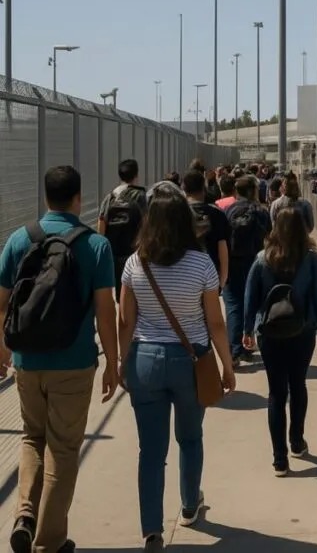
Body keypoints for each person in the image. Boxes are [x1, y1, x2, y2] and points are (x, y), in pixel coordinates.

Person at [0, 165, 119, 553]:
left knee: (32, 438)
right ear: (78, 199)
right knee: (64, 449)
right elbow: (105, 312)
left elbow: (1, 303)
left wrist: (3, 349)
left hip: (27, 361)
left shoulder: (20, 239)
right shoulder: (96, 246)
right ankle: (49, 543)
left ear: (45, 197)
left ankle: (24, 516)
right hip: (74, 363)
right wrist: (113, 362)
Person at [118, 184, 235, 553]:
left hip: (145, 360)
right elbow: (215, 322)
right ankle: (188, 505)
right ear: (187, 222)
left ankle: (152, 531)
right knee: (190, 437)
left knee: (151, 451)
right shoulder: (201, 265)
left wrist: (120, 362)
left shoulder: (135, 263)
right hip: (191, 360)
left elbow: (125, 321)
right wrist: (227, 364)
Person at [242, 207, 317, 476]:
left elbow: (250, 297)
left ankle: (279, 459)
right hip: (302, 331)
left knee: (276, 393)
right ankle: (297, 441)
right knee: (298, 385)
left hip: (270, 333)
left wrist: (247, 329)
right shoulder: (311, 259)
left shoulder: (262, 259)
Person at [224, 176, 270, 366]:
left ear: (237, 191)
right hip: (256, 262)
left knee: (234, 305)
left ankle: (235, 351)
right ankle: (249, 343)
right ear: (254, 191)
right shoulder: (261, 212)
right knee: (253, 303)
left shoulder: (229, 210)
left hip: (232, 262)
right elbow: (269, 236)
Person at [98, 159, 148, 300]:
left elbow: (101, 225)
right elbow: (146, 223)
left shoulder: (110, 197)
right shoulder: (140, 196)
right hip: (134, 253)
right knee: (136, 296)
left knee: (121, 295)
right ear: (136, 175)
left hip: (114, 254)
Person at [182, 170, 230, 292]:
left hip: (183, 277)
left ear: (184, 189)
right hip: (211, 276)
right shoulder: (217, 214)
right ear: (204, 189)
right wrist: (222, 282)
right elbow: (222, 248)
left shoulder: (178, 213)